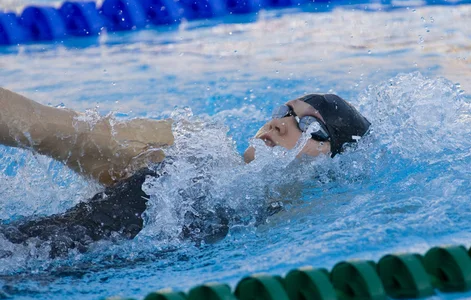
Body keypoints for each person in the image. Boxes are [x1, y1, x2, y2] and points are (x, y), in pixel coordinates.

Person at [0, 88, 370, 256]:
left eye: (310, 128)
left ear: (334, 162)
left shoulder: (296, 229)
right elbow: (46, 127)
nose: (280, 125)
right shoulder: (192, 146)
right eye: (284, 111)